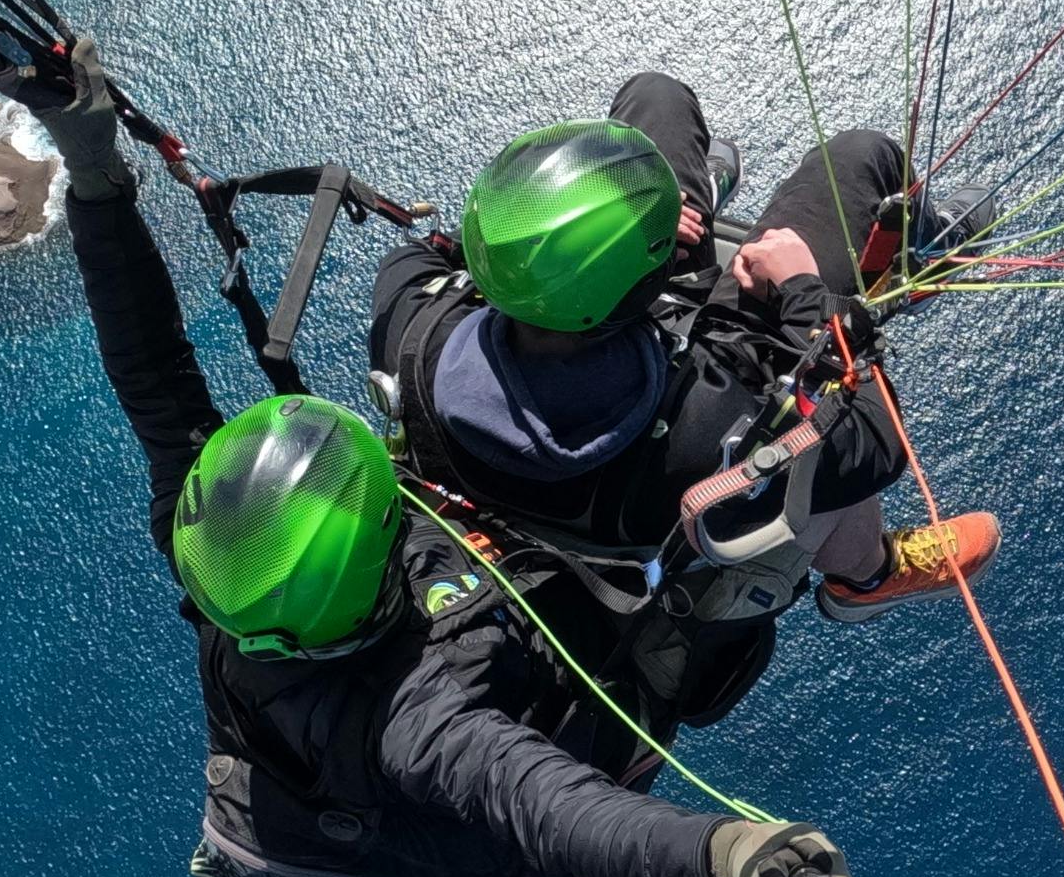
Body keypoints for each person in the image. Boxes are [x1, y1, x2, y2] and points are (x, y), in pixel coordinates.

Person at [46, 82, 848, 877]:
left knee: (678, 117)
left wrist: (95, 175)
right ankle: (857, 576)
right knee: (731, 583)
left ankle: (694, 212)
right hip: (558, 737)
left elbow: (154, 380)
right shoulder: (421, 718)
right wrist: (729, 858)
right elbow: (556, 811)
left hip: (492, 579)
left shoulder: (239, 572)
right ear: (382, 563)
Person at [365, 74, 999, 734]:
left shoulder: (414, 329)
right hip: (697, 370)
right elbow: (869, 435)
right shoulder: (706, 431)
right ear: (655, 277)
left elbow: (423, 255)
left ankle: (675, 198)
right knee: (867, 155)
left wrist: (562, 245)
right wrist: (808, 294)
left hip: (603, 356)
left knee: (655, 97)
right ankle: (864, 575)